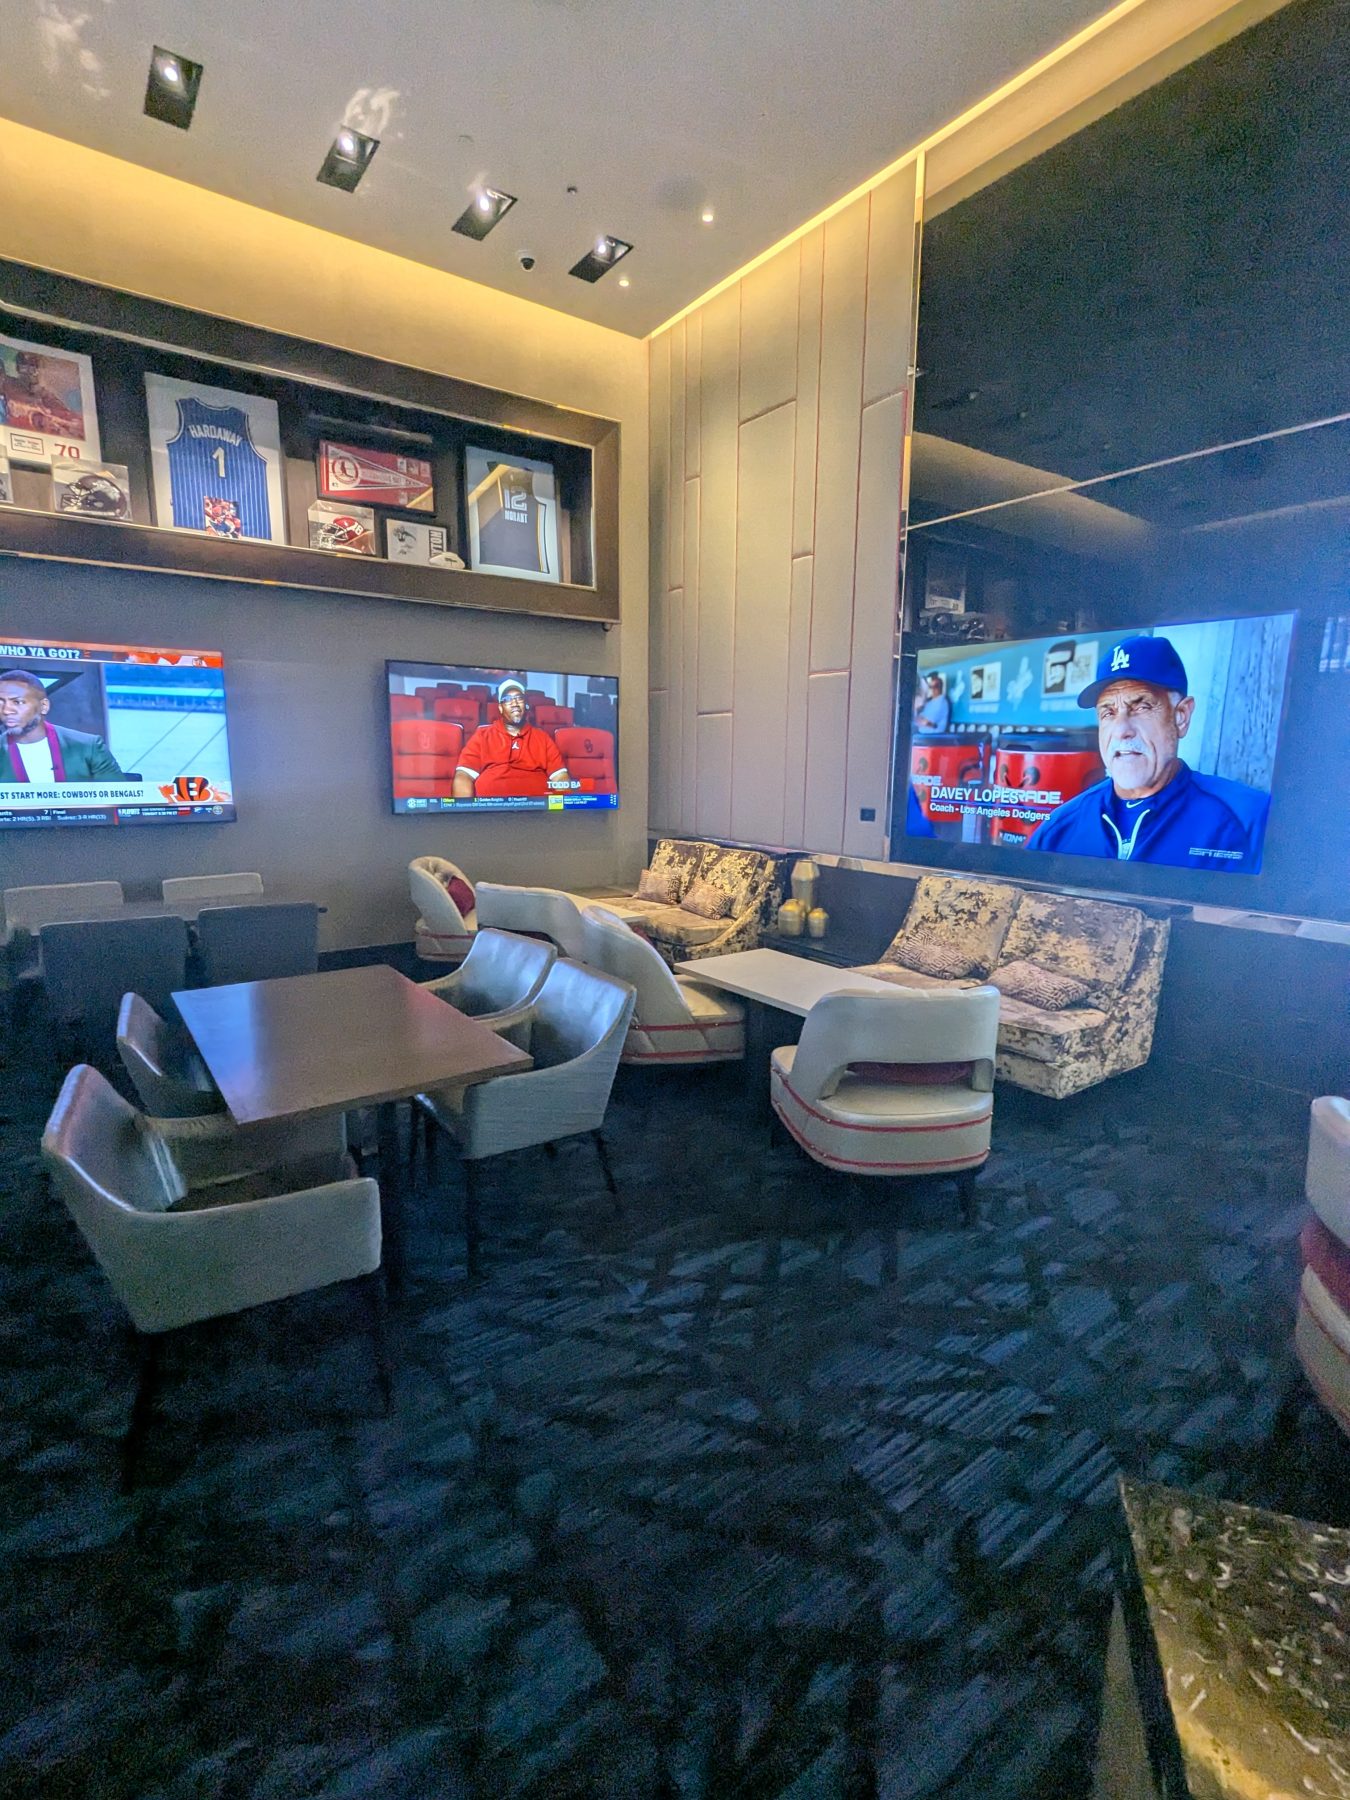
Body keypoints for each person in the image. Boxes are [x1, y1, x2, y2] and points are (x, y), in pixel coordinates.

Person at [1026, 636, 1269, 870]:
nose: (1121, 730)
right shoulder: (1059, 830)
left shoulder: (1252, 820)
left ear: (1181, 716)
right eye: (1108, 713)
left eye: (1142, 707)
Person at [453, 678, 571, 800]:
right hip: (491, 808)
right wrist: (466, 809)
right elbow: (463, 775)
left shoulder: (542, 737)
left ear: (525, 705)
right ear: (500, 708)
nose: (514, 703)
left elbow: (560, 777)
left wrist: (558, 809)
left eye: (519, 698)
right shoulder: (483, 735)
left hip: (536, 809)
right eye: (508, 699)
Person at [0, 669, 126, 783]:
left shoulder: (88, 746)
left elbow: (118, 797)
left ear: (44, 706)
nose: (6, 710)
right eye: (1, 702)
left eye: (18, 702)